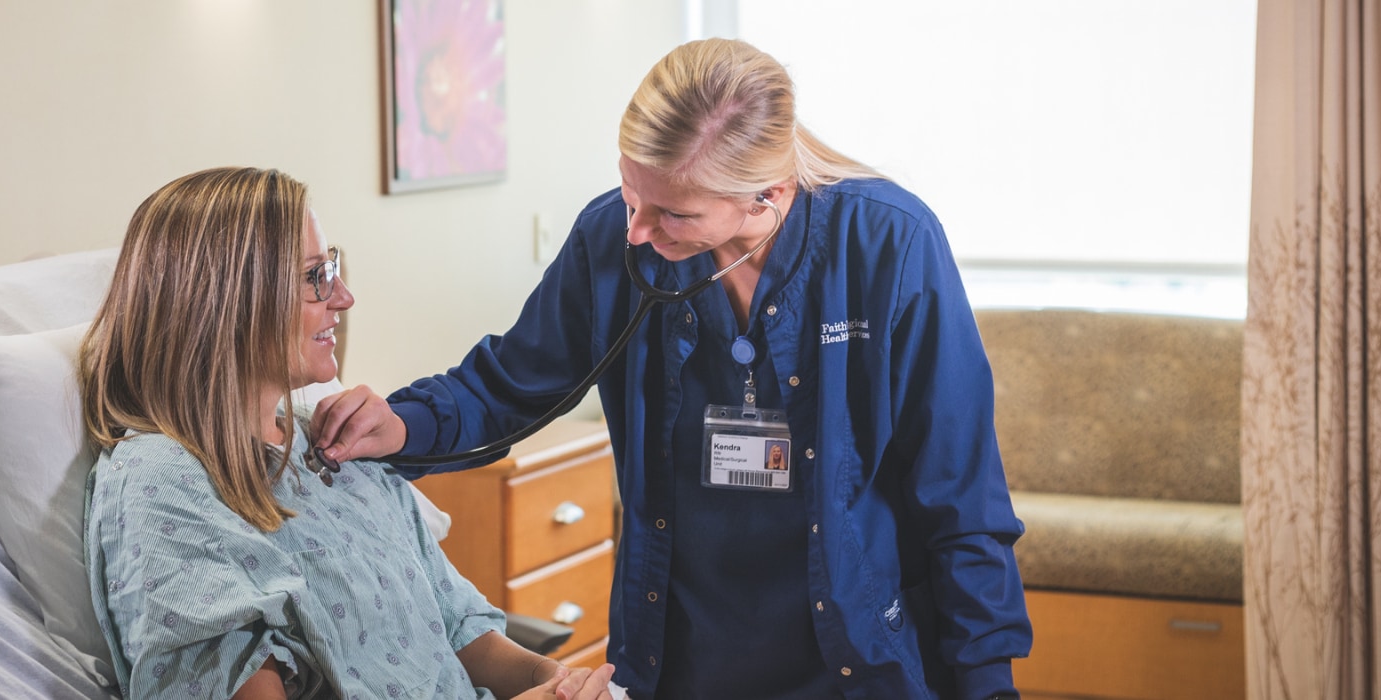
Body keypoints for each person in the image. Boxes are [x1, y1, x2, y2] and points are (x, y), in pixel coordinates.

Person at [312, 39, 1031, 699]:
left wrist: (986, 684)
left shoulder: (888, 245)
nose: (635, 232)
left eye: (671, 214)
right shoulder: (612, 242)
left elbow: (961, 496)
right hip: (680, 656)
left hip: (853, 659)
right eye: (630, 196)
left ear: (766, 197)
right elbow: (507, 385)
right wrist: (400, 424)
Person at [78, 167, 618, 699]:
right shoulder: (164, 482)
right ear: (230, 302)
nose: (343, 299)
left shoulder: (334, 446)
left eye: (330, 268)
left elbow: (454, 628)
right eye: (316, 276)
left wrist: (552, 681)